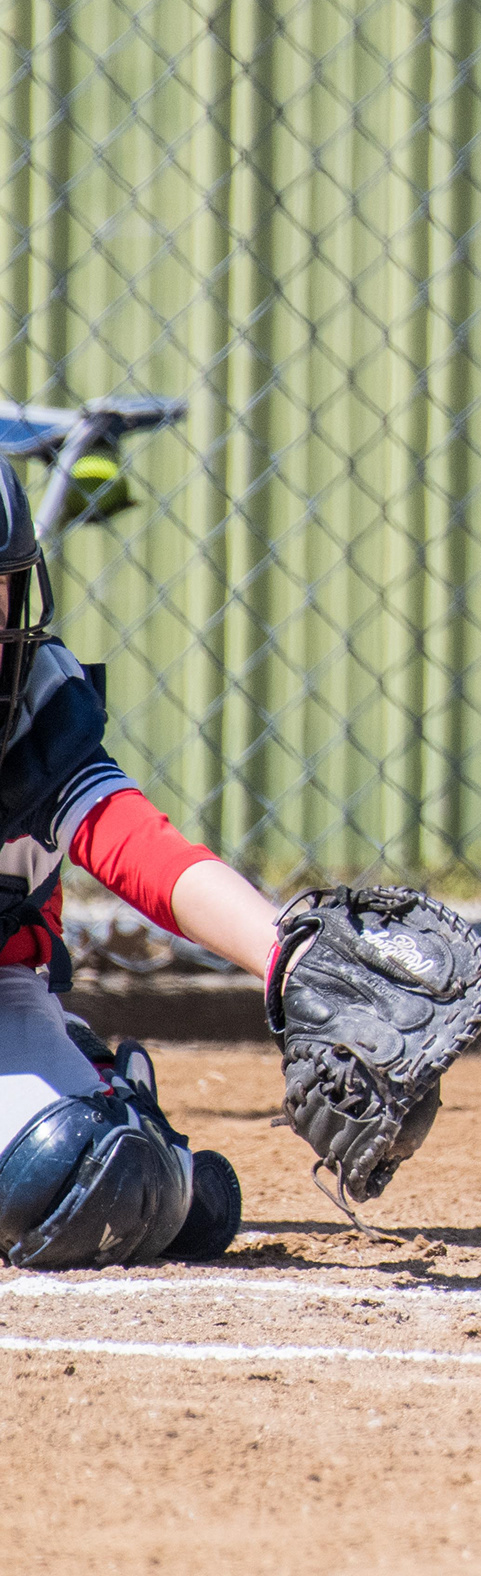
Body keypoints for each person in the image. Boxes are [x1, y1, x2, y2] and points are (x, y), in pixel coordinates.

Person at [0, 470, 264, 1267]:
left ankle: (113, 1105)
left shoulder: (29, 709)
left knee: (82, 1181)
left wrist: (291, 956)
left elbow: (139, 846)